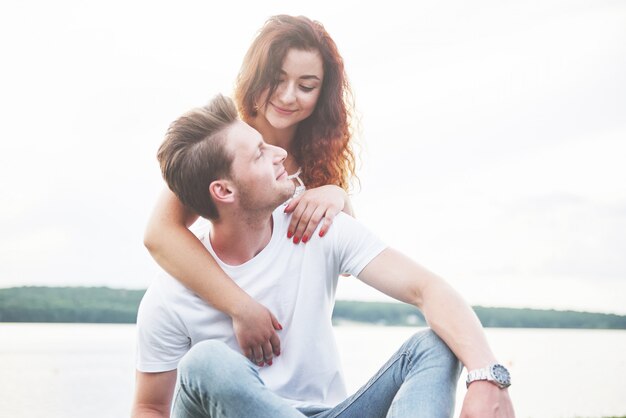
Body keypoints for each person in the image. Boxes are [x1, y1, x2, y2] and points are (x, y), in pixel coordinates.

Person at [131, 94, 516, 418]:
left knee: (435, 345)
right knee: (206, 362)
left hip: (331, 412)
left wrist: (486, 375)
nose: (280, 153)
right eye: (260, 154)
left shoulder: (314, 225)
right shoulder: (171, 293)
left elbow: (427, 288)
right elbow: (150, 406)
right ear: (224, 191)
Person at [143, 15, 356, 366]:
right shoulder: (223, 139)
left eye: (306, 86)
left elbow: (345, 262)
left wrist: (339, 196)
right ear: (256, 75)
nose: (288, 96)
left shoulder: (319, 161)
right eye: (276, 79)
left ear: (323, 94)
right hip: (220, 336)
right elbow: (159, 234)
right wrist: (240, 307)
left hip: (293, 354)